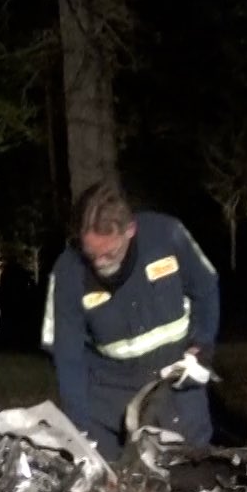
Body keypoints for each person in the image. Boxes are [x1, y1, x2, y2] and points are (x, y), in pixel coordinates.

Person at [40, 180, 220, 460]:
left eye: (109, 253)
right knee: (112, 490)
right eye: (92, 254)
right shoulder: (68, 272)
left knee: (189, 480)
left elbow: (206, 288)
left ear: (130, 231)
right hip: (109, 397)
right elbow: (68, 357)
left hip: (176, 384)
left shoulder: (167, 236)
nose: (100, 263)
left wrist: (203, 343)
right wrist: (80, 430)